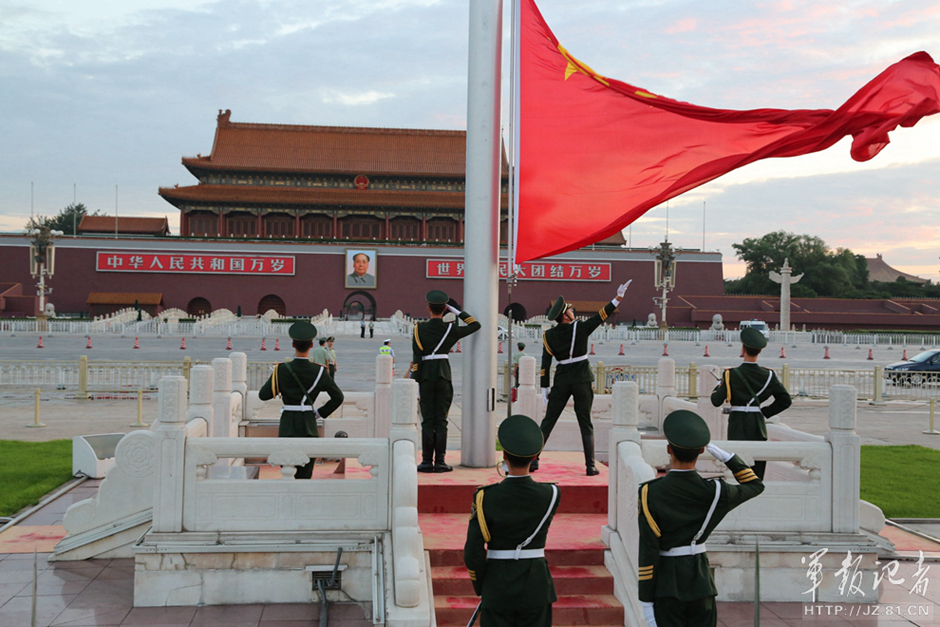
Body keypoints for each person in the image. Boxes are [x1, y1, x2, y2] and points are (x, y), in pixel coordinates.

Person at [638, 410, 764, 627]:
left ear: (669, 449)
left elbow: (648, 549)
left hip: (667, 583)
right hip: (702, 581)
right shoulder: (716, 491)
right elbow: (755, 485)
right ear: (702, 451)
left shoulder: (650, 492)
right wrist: (728, 458)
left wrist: (646, 601)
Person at [464, 414, 559, 627]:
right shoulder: (551, 493)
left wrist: (483, 586)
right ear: (535, 456)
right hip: (536, 587)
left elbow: (473, 552)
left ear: (504, 455)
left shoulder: (485, 497)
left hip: (497, 586)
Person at [533, 279, 632, 475]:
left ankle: (533, 460)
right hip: (582, 379)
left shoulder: (548, 336)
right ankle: (590, 466)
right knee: (585, 421)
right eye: (570, 309)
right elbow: (601, 316)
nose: (573, 311)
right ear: (565, 315)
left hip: (561, 381)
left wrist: (544, 388)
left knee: (548, 421)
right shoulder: (580, 328)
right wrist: (617, 298)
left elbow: (545, 363)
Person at [258, 322, 344, 479]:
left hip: (288, 425)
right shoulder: (319, 371)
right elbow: (338, 397)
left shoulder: (282, 369)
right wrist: (319, 413)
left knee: (288, 471)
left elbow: (263, 395)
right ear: (311, 344)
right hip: (308, 424)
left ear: (292, 344)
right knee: (305, 474)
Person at [411, 290, 481, 472]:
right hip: (443, 375)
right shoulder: (450, 329)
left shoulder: (419, 329)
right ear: (445, 309)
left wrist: (415, 382)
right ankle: (440, 461)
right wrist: (457, 311)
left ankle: (426, 461)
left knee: (427, 419)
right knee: (441, 419)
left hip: (425, 377)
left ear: (428, 308)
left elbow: (417, 358)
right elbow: (475, 325)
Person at [709, 327, 791, 480]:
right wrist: (765, 412)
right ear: (760, 351)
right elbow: (785, 400)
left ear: (743, 349)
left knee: (737, 469)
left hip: (737, 426)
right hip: (757, 426)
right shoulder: (769, 375)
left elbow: (716, 401)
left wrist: (720, 384)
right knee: (756, 472)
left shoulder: (731, 374)